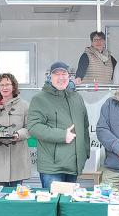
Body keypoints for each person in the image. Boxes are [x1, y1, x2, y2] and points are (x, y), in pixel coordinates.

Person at [28, 61, 90, 189]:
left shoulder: (77, 97)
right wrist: (62, 135)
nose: (61, 77)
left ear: (69, 76)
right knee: (52, 206)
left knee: (68, 206)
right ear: (50, 77)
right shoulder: (40, 99)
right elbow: (33, 127)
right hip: (52, 167)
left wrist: (85, 152)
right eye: (56, 74)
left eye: (64, 74)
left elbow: (84, 127)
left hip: (73, 164)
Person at [0, 73, 31, 187]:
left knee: (17, 195)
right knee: (0, 196)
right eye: (2, 85)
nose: (5, 87)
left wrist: (17, 135)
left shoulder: (25, 105)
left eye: (8, 84)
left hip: (18, 157)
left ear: (14, 86)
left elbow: (29, 128)